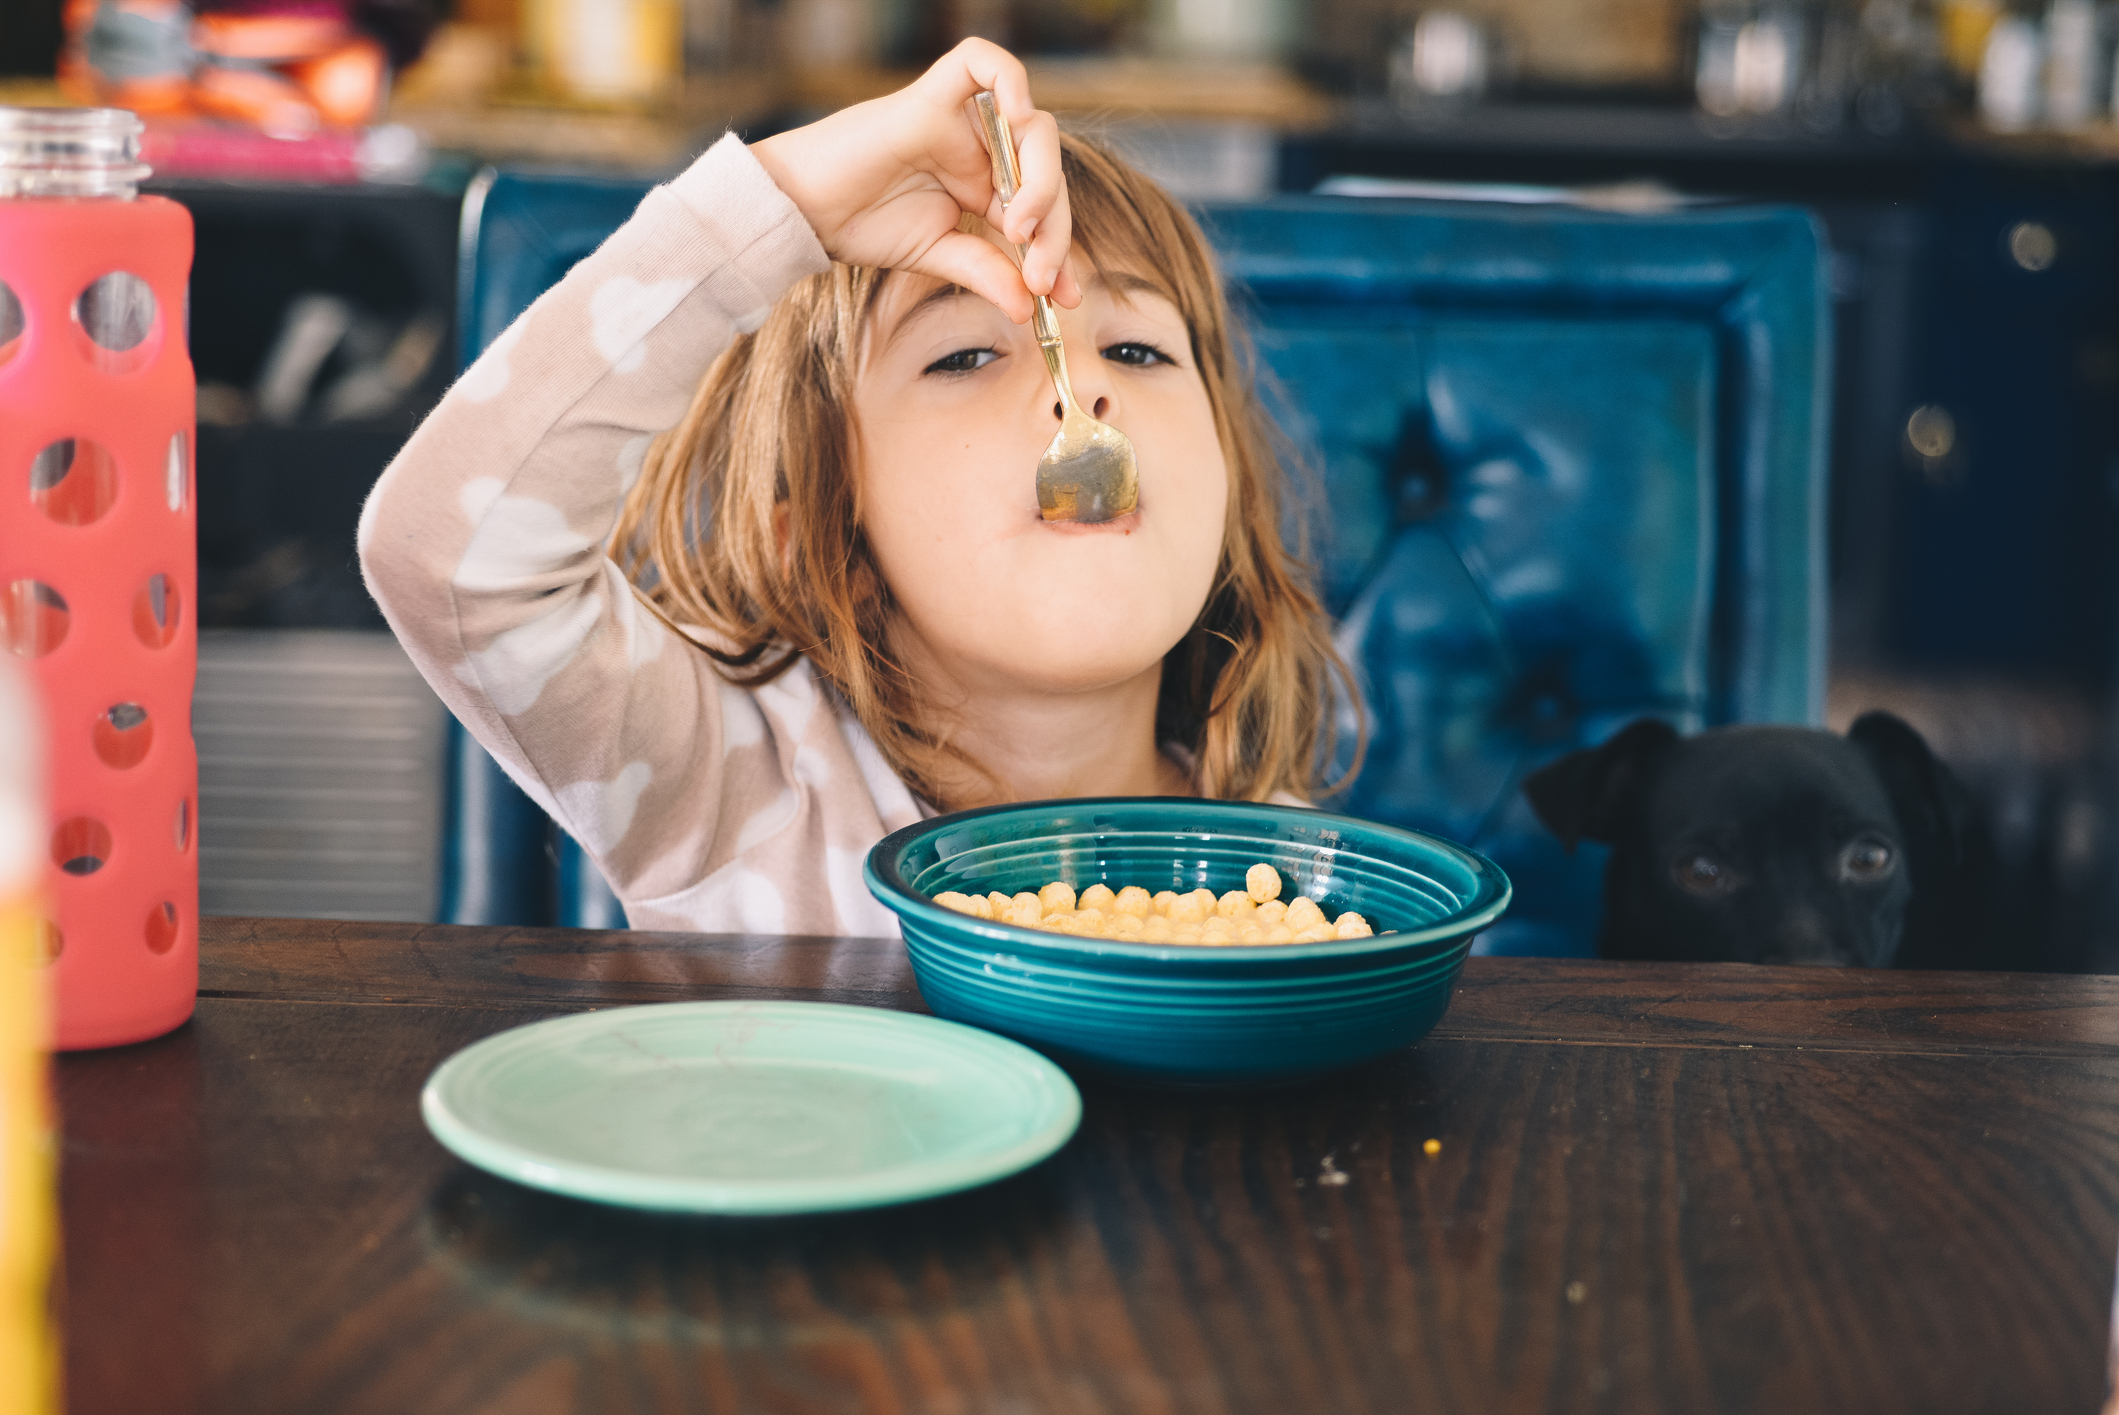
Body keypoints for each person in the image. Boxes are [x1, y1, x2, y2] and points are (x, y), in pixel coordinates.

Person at [358, 40, 1354, 936]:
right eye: (963, 355)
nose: (1081, 385)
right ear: (824, 535)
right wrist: (782, 203)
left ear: (1227, 502)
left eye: (1137, 347)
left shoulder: (1281, 881)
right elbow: (445, 555)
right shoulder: (734, 792)